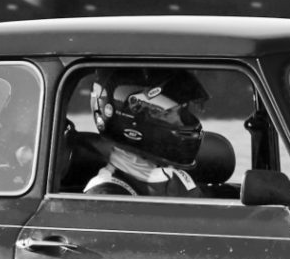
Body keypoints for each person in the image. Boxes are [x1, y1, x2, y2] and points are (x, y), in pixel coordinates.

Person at [82, 69, 209, 197]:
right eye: (168, 112)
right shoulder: (106, 196)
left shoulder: (178, 180)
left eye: (180, 112)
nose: (179, 121)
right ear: (136, 119)